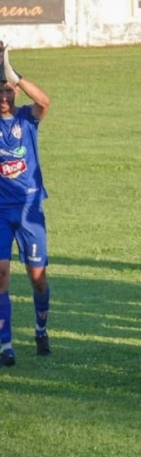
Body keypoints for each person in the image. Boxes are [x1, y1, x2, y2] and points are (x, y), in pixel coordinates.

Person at [0, 43, 52, 367]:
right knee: (1, 275)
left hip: (31, 209)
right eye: (0, 93)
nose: (4, 97)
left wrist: (12, 72)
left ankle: (41, 329)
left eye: (8, 92)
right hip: (1, 212)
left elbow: (44, 101)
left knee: (37, 278)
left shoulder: (26, 119)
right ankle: (5, 344)